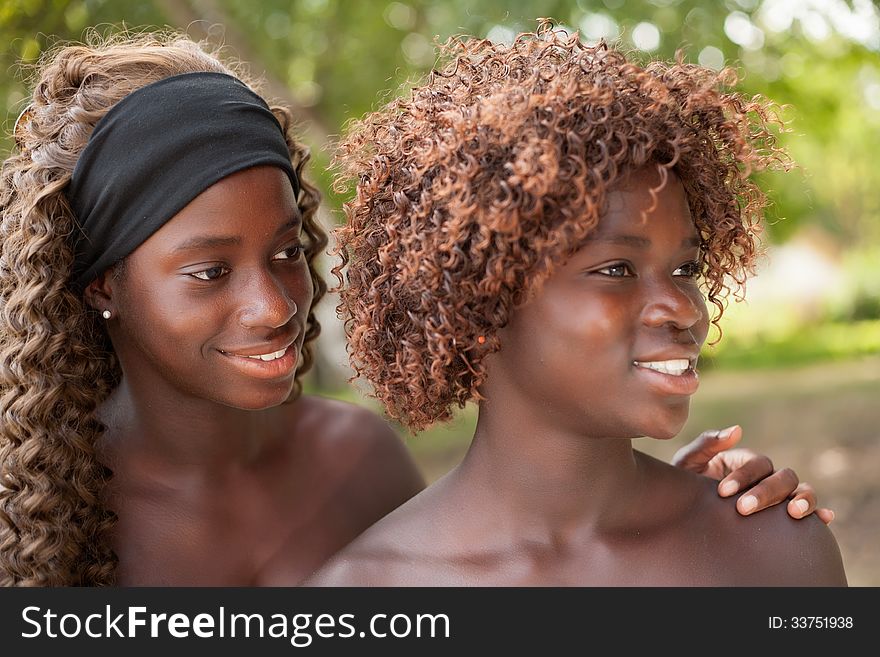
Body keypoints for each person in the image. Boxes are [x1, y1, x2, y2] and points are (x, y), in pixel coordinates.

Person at [0, 31, 831, 587]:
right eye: (210, 270)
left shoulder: (356, 462)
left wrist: (686, 527)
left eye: (289, 251)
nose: (273, 303)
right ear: (102, 283)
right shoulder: (35, 507)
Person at [307, 25, 847, 586]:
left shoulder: (772, 552)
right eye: (616, 269)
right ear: (481, 304)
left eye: (685, 269)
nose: (683, 308)